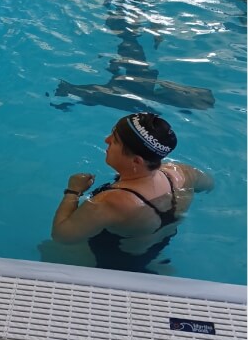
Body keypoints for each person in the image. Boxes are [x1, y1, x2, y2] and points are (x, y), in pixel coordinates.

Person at [51, 112, 213, 274]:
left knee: (48, 252)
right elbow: (209, 184)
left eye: (114, 141)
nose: (106, 140)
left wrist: (73, 191)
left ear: (137, 161)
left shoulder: (111, 202)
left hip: (114, 262)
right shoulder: (184, 174)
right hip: (152, 250)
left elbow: (62, 236)